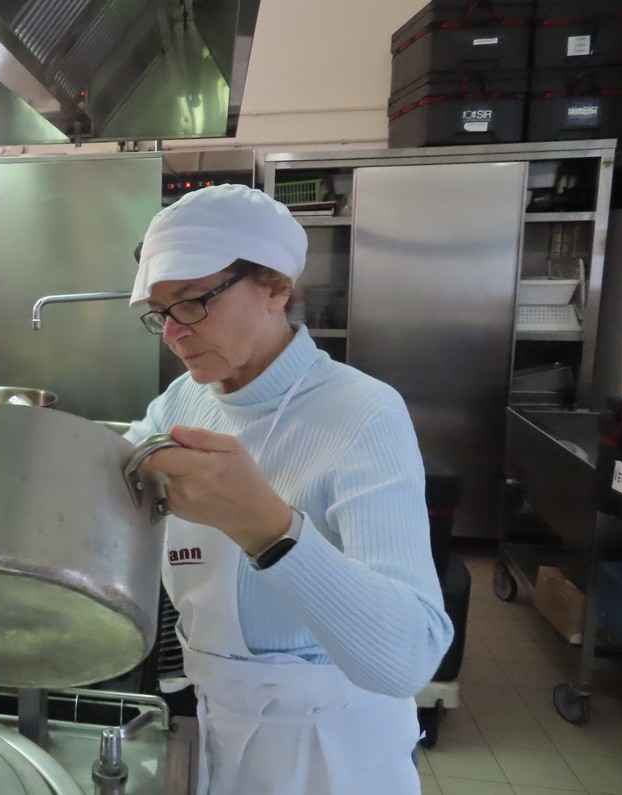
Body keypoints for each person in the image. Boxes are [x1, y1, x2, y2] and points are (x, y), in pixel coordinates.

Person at [125, 184, 454, 794]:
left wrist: (268, 529)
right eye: (161, 312)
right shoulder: (184, 399)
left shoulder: (363, 413)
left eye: (192, 303)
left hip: (331, 749)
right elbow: (112, 479)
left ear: (275, 286)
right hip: (218, 722)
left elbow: (409, 656)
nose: (173, 333)